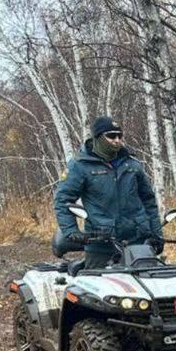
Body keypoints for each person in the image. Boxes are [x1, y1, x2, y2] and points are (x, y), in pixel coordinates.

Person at [54, 115, 162, 269]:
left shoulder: (132, 164)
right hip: (101, 244)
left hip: (138, 242)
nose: (117, 140)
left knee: (149, 289)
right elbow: (63, 200)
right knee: (98, 290)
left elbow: (149, 201)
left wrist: (156, 235)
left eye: (119, 136)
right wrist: (72, 231)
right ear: (98, 137)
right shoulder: (80, 165)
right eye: (111, 136)